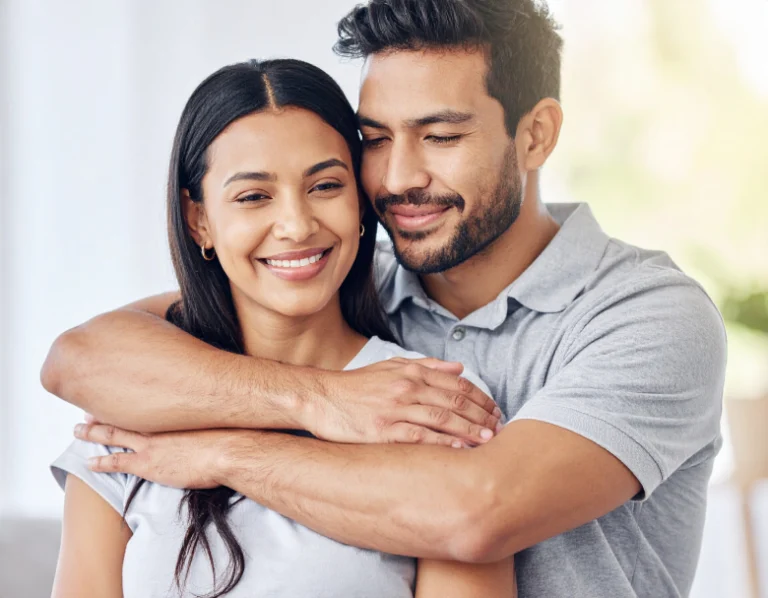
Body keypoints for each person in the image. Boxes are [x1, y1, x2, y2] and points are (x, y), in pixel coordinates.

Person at [43, 0, 726, 596]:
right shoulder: (345, 280)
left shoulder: (648, 317)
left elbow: (473, 516)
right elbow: (80, 361)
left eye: (441, 136)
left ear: (536, 134)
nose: (398, 178)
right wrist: (319, 400)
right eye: (375, 140)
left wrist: (223, 454)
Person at [48, 58, 515, 598]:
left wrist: (221, 453)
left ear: (360, 201)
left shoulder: (432, 404)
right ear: (199, 219)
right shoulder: (131, 404)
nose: (296, 225)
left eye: (324, 186)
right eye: (253, 196)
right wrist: (321, 401)